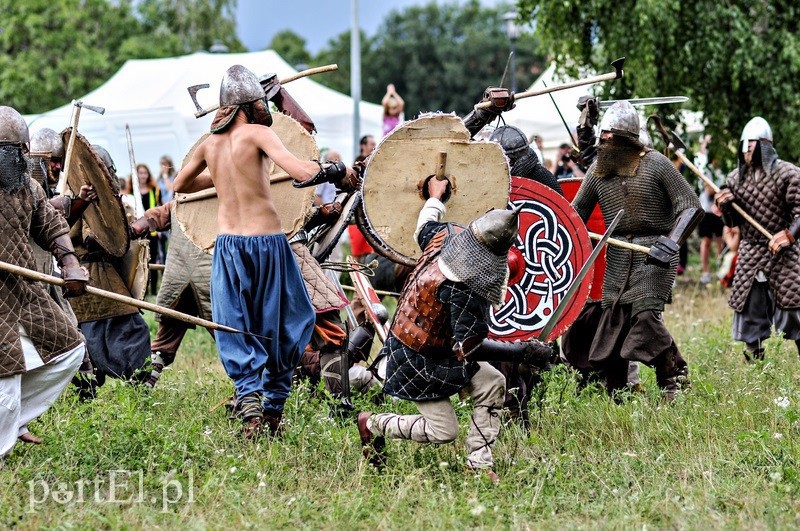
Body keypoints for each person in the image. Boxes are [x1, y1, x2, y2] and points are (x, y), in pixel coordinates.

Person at [173, 64, 355, 438]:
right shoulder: (258, 133)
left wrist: (220, 175)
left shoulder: (209, 145)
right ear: (250, 104)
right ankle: (271, 409)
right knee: (286, 322)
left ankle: (251, 408)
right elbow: (301, 172)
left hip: (228, 247)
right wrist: (337, 169)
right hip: (268, 244)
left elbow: (180, 185)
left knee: (238, 325)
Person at [356, 177, 552, 481]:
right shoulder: (463, 290)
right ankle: (374, 424)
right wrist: (523, 352)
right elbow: (471, 348)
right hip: (416, 359)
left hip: (441, 348)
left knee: (493, 382)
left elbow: (424, 225)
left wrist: (436, 197)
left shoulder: (447, 234)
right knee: (443, 431)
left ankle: (479, 463)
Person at [571, 101, 702, 400]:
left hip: (655, 253)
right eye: (601, 136)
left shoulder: (656, 163)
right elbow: (575, 214)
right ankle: (619, 391)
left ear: (625, 138)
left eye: (609, 136)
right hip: (618, 256)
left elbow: (691, 206)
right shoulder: (598, 171)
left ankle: (673, 378)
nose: (603, 141)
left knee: (645, 317)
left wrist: (671, 242)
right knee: (614, 323)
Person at [0, 106, 87, 456]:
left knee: (71, 351)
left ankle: (15, 420)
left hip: (25, 291)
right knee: (6, 378)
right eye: (11, 151)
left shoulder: (30, 187)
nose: (19, 157)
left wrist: (70, 262)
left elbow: (50, 225)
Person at [714, 116, 800, 362]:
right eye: (744, 145)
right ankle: (755, 372)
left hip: (784, 253)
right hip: (751, 253)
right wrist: (726, 207)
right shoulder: (735, 178)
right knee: (749, 317)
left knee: (795, 311)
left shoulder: (788, 173)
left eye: (751, 145)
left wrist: (790, 234)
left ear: (764, 145)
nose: (746, 150)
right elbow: (732, 223)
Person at [68, 145, 153, 388]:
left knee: (86, 335)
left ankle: (88, 388)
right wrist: (125, 232)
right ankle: (137, 383)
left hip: (83, 278)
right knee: (131, 332)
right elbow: (94, 238)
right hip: (95, 277)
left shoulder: (80, 197)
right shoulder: (87, 201)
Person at [124, 163, 162, 295]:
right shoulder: (130, 193)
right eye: (140, 173)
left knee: (153, 259)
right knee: (138, 260)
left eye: (145, 173)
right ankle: (141, 290)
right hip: (136, 232)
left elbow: (159, 207)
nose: (143, 176)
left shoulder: (154, 190)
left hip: (152, 230)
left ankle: (153, 290)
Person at [693, 137, 725, 284]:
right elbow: (709, 190)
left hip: (719, 211)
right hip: (706, 210)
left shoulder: (721, 171)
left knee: (720, 241)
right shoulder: (705, 168)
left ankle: (721, 271)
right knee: (706, 241)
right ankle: (706, 272)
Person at [347, 135, 377, 263]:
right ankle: (355, 276)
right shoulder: (358, 164)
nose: (374, 147)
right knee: (357, 253)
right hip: (358, 212)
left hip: (372, 213)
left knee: (372, 251)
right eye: (371, 144)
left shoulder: (376, 163)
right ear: (363, 146)